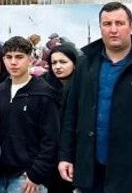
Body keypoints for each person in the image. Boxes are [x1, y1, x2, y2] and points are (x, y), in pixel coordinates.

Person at [59, 1, 132, 193]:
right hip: (91, 169)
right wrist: (65, 155)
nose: (113, 29)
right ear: (101, 28)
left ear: (131, 26)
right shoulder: (85, 64)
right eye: (107, 24)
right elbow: (72, 113)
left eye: (119, 23)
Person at [0, 36, 60, 193]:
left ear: (31, 59)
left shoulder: (44, 93)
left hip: (27, 178)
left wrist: (36, 174)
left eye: (19, 57)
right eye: (9, 57)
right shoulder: (0, 91)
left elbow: (51, 139)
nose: (13, 62)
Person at [43, 43, 80, 193]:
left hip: (76, 155)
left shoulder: (83, 87)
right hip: (50, 157)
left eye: (63, 62)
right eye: (54, 63)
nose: (58, 66)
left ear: (75, 63)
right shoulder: (44, 86)